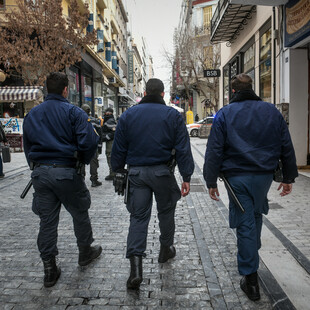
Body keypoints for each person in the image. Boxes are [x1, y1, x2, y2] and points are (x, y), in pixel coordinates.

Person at [203, 73, 298, 301]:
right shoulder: (271, 112)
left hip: (237, 177)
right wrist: (288, 176)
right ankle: (251, 253)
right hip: (264, 176)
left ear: (233, 91)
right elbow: (286, 144)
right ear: (252, 88)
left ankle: (251, 278)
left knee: (245, 222)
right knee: (254, 214)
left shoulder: (225, 113)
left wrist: (210, 180)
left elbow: (214, 149)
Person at [111, 78, 194, 290]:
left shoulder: (128, 115)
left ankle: (136, 269)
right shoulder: (173, 116)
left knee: (138, 217)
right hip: (162, 172)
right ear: (163, 94)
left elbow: (118, 147)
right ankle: (165, 249)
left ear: (145, 92)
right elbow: (183, 148)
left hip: (137, 173)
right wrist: (186, 176)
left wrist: (118, 170)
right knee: (166, 212)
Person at [23, 72, 102, 288]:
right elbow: (89, 141)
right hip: (66, 171)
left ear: (47, 89)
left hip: (41, 173)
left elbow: (27, 145)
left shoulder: (32, 114)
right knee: (79, 212)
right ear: (66, 90)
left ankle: (49, 269)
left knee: (47, 221)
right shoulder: (74, 112)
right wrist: (82, 162)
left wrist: (35, 166)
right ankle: (85, 252)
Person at [81, 104, 103, 187]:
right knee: (93, 162)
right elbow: (99, 134)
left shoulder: (78, 120)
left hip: (82, 144)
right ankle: (94, 179)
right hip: (92, 145)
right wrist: (99, 146)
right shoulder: (95, 121)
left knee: (81, 161)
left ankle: (81, 179)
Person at [102, 107, 117, 181]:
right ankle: (112, 172)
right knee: (109, 156)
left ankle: (112, 173)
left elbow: (113, 132)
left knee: (110, 156)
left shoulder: (110, 120)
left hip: (110, 142)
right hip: (110, 141)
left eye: (106, 112)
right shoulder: (109, 119)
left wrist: (106, 137)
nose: (105, 113)